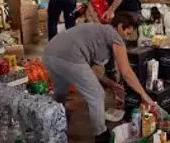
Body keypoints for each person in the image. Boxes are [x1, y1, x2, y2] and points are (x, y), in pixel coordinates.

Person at [43, 12, 154, 142]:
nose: (127, 38)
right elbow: (126, 72)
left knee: (61, 93)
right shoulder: (115, 37)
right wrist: (144, 95)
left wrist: (111, 84)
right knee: (97, 94)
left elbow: (93, 71)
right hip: (70, 55)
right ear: (119, 27)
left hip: (49, 53)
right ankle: (101, 135)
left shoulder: (99, 31)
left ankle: (54, 123)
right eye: (127, 33)